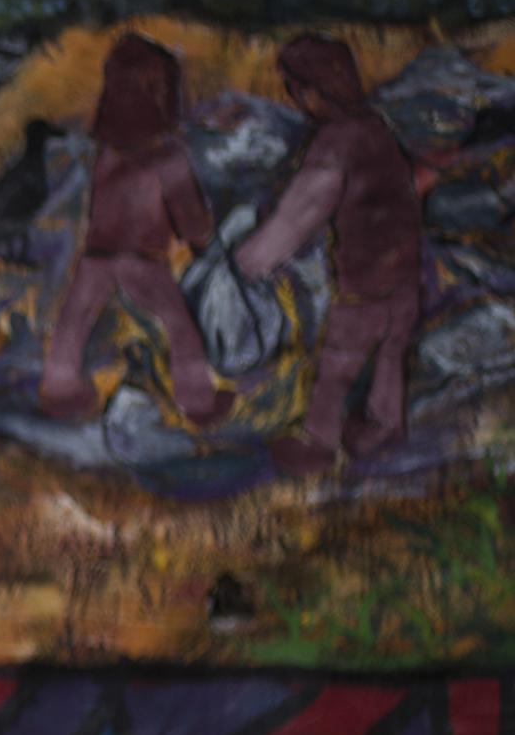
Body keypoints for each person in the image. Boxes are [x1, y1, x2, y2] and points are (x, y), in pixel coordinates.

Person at [234, 34, 428, 476]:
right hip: (405, 276)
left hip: (365, 285)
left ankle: (318, 443)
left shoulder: (336, 143)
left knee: (337, 366)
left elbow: (301, 214)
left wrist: (253, 260)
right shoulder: (377, 128)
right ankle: (383, 428)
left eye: (296, 90)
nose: (296, 101)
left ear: (317, 90)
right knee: (391, 357)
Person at [37, 33, 226, 428]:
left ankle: (59, 389)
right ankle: (197, 400)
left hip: (97, 254)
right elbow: (192, 219)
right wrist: (203, 240)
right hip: (143, 260)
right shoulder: (169, 156)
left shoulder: (106, 153)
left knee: (73, 323)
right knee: (179, 327)